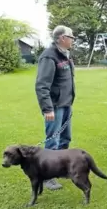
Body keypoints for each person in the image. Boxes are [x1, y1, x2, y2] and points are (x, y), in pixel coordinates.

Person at [35, 25, 76, 190]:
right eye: (71, 36)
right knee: (53, 141)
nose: (73, 39)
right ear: (62, 38)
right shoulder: (49, 56)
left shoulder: (64, 55)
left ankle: (60, 170)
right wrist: (48, 109)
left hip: (66, 105)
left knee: (65, 139)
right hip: (55, 107)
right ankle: (47, 177)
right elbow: (42, 86)